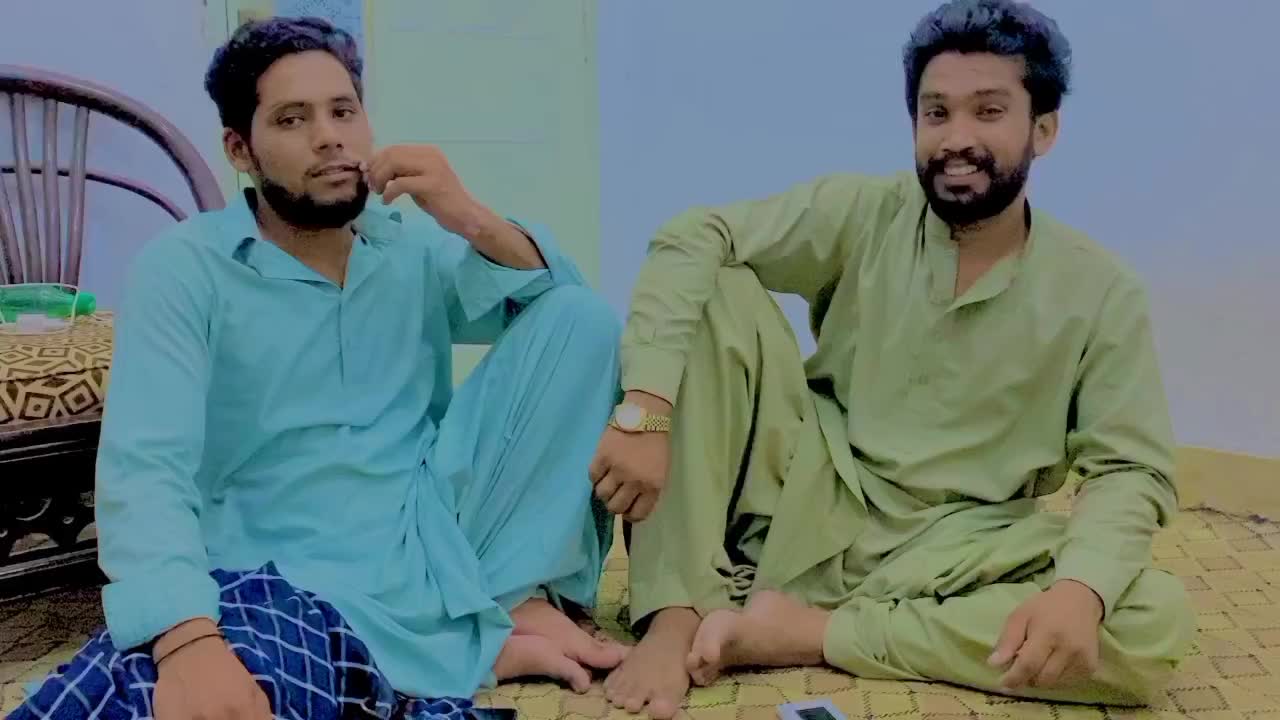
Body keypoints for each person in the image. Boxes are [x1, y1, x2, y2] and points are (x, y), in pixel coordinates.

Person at [591, 1, 1196, 717]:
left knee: (1148, 617)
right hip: (808, 495)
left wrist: (1078, 591)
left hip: (958, 548)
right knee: (717, 286)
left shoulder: (1101, 290)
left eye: (988, 111)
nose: (957, 138)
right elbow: (695, 234)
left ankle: (811, 632)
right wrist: (646, 409)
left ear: (1044, 129)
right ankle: (678, 612)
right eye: (936, 113)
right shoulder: (867, 212)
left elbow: (1130, 468)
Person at [10, 16, 625, 720]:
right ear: (239, 149)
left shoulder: (403, 244)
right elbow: (145, 469)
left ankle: (509, 600)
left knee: (581, 319)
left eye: (343, 111)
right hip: (283, 556)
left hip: (424, 525)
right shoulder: (184, 269)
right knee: (223, 676)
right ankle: (456, 644)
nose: (330, 136)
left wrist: (468, 216)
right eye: (292, 119)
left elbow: (554, 305)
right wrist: (186, 640)